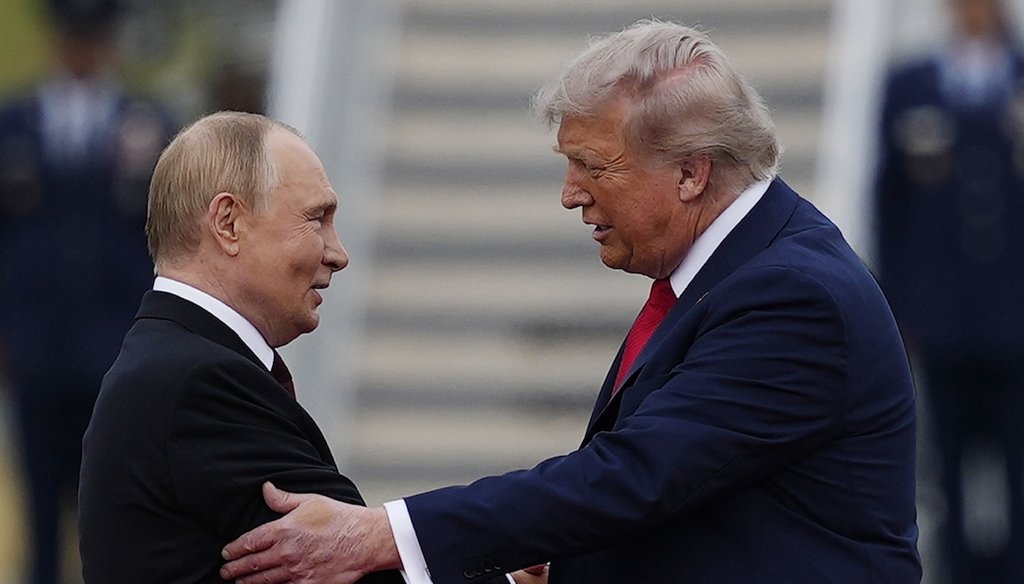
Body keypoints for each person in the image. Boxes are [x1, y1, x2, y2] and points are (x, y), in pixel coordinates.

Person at [220, 20, 922, 584]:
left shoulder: (793, 296)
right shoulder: (732, 274)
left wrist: (379, 535)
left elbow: (635, 475)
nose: (570, 194)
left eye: (594, 167)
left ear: (690, 173)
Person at [77, 111, 403, 584]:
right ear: (228, 223)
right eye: (316, 219)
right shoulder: (200, 385)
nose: (338, 254)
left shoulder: (175, 363)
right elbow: (356, 566)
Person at [0, 2, 175, 583]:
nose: (81, 49)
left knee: (113, 511)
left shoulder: (148, 125)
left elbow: (168, 238)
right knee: (39, 509)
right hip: (34, 346)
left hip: (118, 347)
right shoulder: (14, 124)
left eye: (92, 36)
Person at [874, 0, 1024, 581]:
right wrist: (898, 306)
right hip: (943, 317)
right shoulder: (912, 84)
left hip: (1015, 313)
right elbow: (890, 208)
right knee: (948, 462)